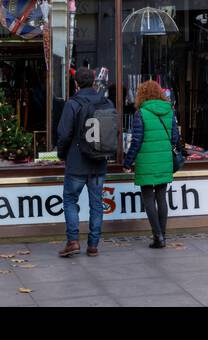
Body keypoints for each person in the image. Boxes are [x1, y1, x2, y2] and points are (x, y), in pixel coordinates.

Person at [56, 69, 110, 258]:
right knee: (97, 203)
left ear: (76, 83)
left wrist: (62, 155)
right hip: (98, 163)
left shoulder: (72, 104)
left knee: (70, 200)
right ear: (94, 82)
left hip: (77, 162)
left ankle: (73, 241)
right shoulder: (106, 102)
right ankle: (93, 245)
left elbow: (63, 134)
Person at [123, 80, 179, 248]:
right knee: (161, 197)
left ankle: (158, 236)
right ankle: (163, 236)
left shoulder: (141, 113)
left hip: (146, 161)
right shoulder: (169, 111)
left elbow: (136, 141)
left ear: (142, 95)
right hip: (164, 160)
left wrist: (127, 162)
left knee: (148, 197)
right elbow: (175, 138)